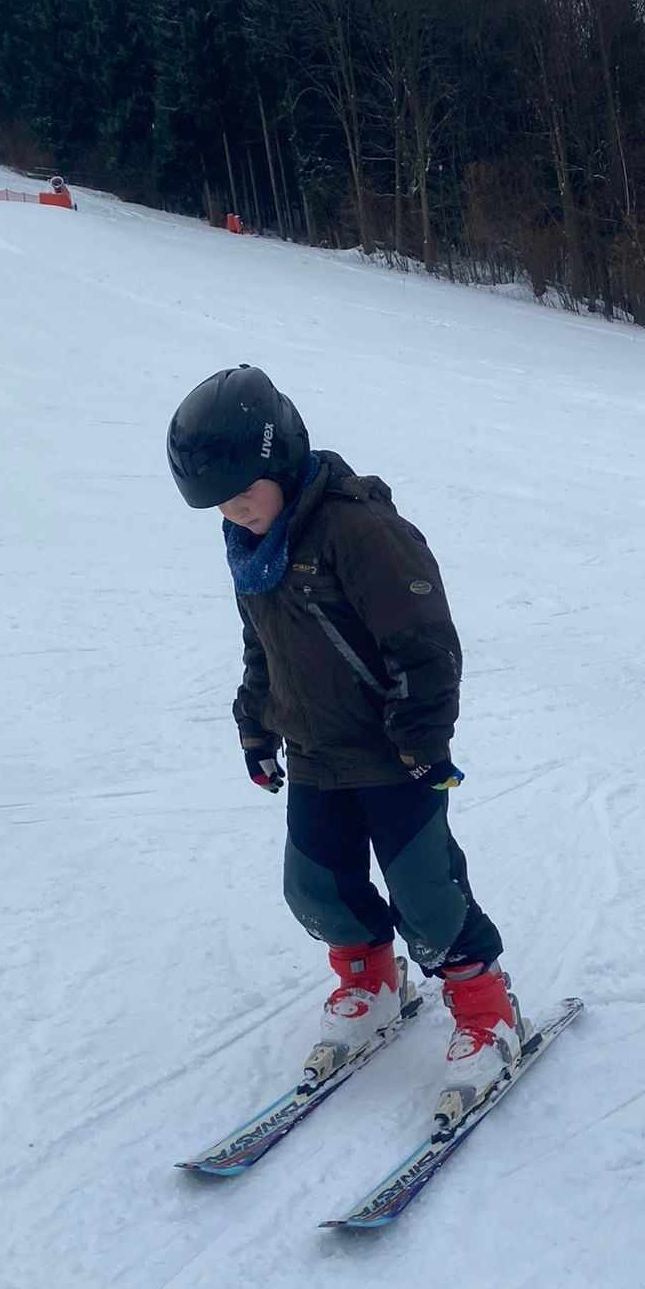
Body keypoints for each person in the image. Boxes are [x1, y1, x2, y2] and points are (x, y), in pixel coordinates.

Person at [165, 365, 522, 1111]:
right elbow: (263, 649)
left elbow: (425, 642)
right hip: (315, 754)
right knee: (315, 888)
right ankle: (371, 983)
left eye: (243, 492)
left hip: (393, 754)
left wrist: (422, 738)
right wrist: (255, 728)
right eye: (219, 503)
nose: (234, 511)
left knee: (426, 895)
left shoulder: (360, 531)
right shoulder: (253, 548)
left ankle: (488, 1011)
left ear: (282, 460)